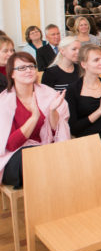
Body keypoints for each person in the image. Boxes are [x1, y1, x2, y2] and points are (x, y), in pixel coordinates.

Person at [0, 52, 70, 189]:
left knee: (52, 158)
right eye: (22, 68)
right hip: (13, 158)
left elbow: (57, 134)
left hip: (45, 153)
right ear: (11, 74)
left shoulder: (49, 95)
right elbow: (11, 145)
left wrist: (52, 111)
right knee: (35, 158)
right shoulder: (4, 102)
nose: (28, 71)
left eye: (31, 66)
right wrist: (34, 117)